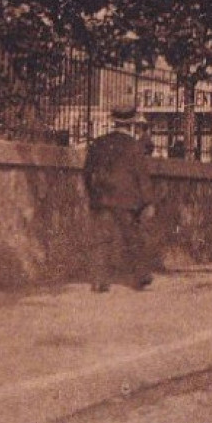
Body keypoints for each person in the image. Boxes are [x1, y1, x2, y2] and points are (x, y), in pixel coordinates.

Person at [84, 114, 157, 293]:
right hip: (127, 200)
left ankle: (99, 281)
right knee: (132, 237)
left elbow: (87, 171)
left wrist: (91, 193)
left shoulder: (99, 143)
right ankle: (140, 277)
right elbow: (142, 175)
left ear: (113, 121)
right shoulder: (134, 146)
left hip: (102, 197)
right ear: (131, 123)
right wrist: (148, 201)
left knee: (102, 239)